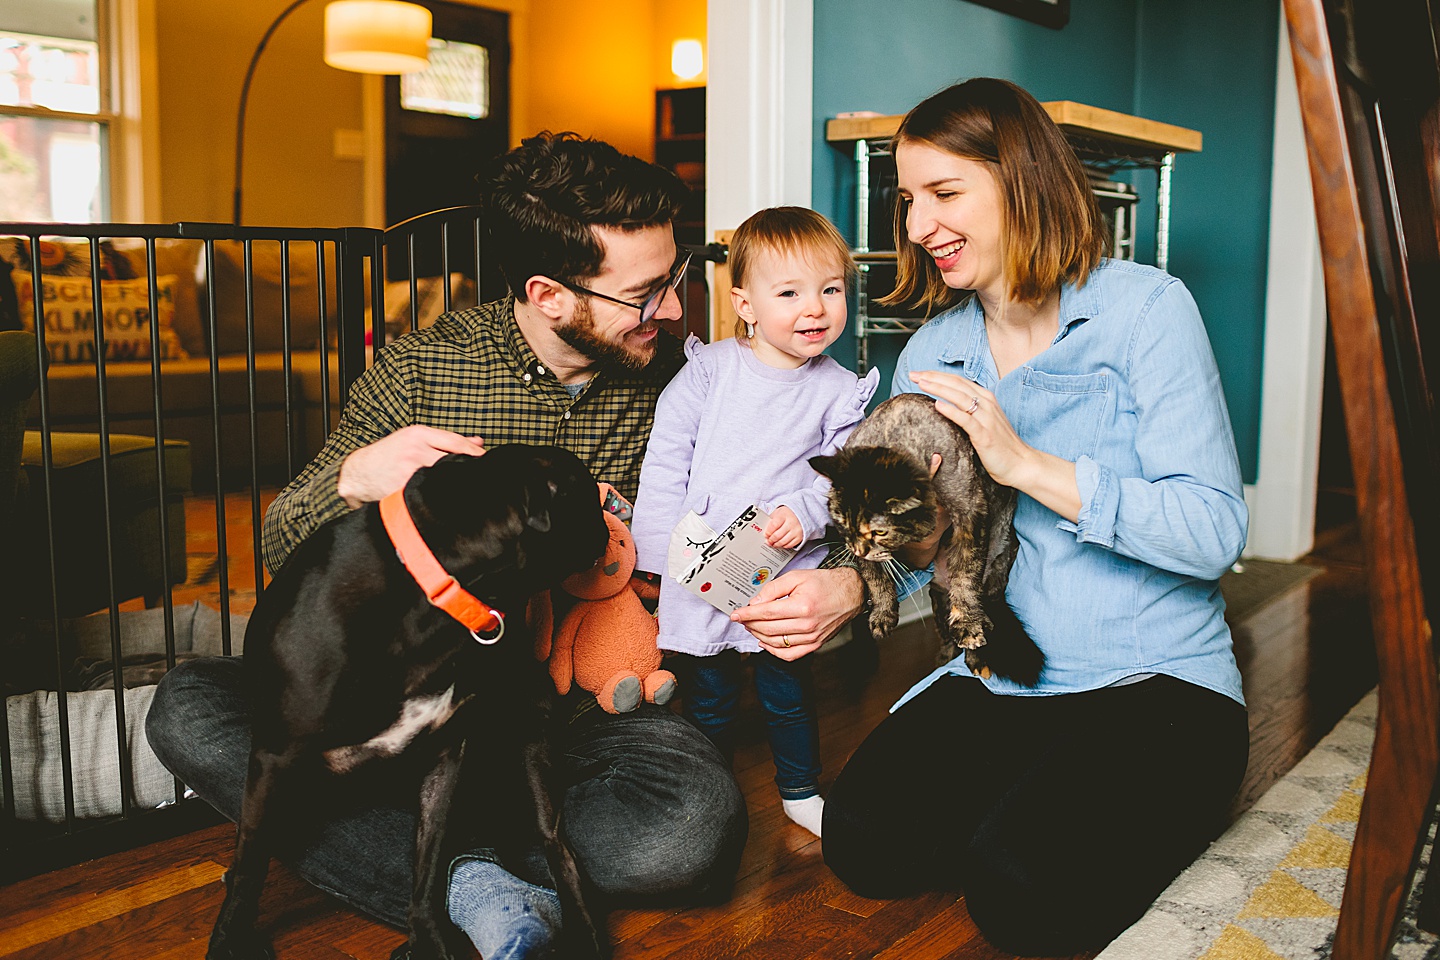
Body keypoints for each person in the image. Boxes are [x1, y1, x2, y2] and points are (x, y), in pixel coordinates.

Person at [145, 132, 866, 960]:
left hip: (584, 702)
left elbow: (825, 491)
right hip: (400, 694)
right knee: (186, 707)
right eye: (646, 293)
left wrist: (845, 583)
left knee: (691, 829)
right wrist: (353, 477)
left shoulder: (693, 378)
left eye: (677, 277)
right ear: (549, 295)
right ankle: (488, 878)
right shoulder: (424, 369)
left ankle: (449, 857)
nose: (673, 309)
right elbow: (285, 547)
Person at [819, 79, 1251, 955]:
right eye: (907, 200)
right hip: (1005, 676)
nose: (914, 226)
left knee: (1022, 895)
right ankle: (1039, 794)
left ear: (1022, 182)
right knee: (864, 842)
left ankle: (1073, 809)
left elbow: (1212, 535)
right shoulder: (935, 351)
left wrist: (1024, 466)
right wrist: (845, 585)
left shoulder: (1145, 311)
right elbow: (924, 540)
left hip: (1154, 680)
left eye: (944, 194)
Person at [631, 207, 880, 838]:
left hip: (781, 573)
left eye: (831, 290)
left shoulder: (840, 390)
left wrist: (804, 512)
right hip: (699, 565)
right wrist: (654, 556)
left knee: (788, 693)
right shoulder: (709, 371)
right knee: (708, 694)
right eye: (791, 293)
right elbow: (665, 461)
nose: (816, 309)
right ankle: (708, 791)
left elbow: (847, 483)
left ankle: (799, 788)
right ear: (745, 303)